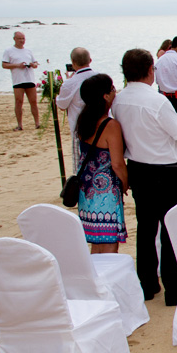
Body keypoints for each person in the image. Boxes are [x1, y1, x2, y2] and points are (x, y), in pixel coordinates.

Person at [111, 48, 177, 306]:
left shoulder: (119, 100)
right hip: (164, 171)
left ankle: (146, 285)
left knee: (146, 229)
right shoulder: (157, 101)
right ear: (149, 70)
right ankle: (173, 290)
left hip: (138, 168)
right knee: (171, 229)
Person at [75, 74, 128, 254]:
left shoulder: (83, 121)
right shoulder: (110, 125)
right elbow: (118, 164)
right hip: (105, 190)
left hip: (86, 189)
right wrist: (126, 183)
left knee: (96, 243)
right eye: (112, 89)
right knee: (109, 241)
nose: (115, 92)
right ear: (105, 96)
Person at [56, 47, 96, 172]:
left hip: (81, 129)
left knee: (82, 168)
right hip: (102, 126)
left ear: (73, 63)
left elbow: (61, 105)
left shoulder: (70, 83)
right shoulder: (100, 77)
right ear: (90, 60)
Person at [2, 31, 39, 131]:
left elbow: (35, 62)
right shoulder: (9, 51)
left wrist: (33, 64)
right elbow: (4, 65)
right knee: (18, 102)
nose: (22, 41)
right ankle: (20, 125)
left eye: (23, 38)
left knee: (33, 101)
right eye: (19, 39)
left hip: (29, 79)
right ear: (14, 39)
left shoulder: (28, 51)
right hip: (18, 80)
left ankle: (37, 123)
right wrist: (18, 65)